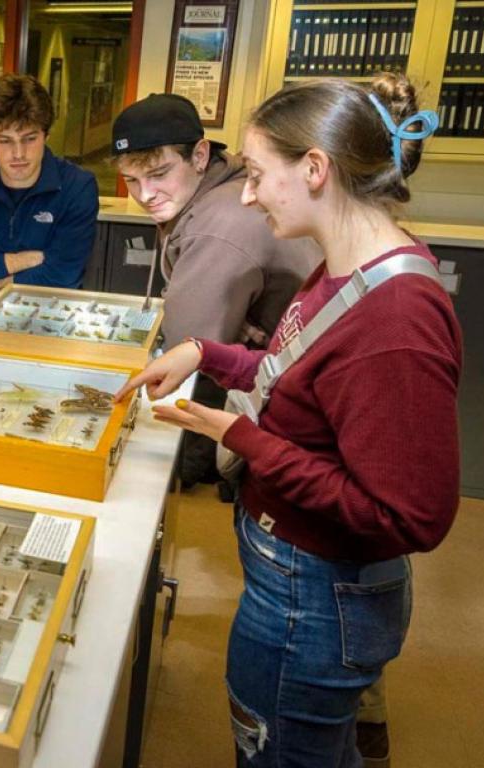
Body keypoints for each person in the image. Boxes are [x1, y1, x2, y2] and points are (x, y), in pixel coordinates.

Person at [116, 74, 460, 768]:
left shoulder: (397, 316)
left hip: (317, 597)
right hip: (292, 574)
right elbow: (290, 371)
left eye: (258, 175)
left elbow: (408, 517)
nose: (245, 195)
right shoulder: (339, 269)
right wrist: (209, 356)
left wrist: (240, 434)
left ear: (315, 171)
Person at [112, 93, 318, 490]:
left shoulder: (218, 222)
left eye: (158, 174)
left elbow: (186, 347)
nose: (145, 194)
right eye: (132, 180)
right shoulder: (216, 184)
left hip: (288, 405)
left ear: (200, 155)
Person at [0, 74, 99, 289]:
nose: (18, 153)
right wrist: (25, 260)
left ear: (47, 136)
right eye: (5, 141)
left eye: (30, 139)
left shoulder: (78, 186)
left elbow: (62, 275)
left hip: (51, 310)